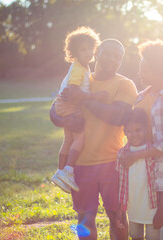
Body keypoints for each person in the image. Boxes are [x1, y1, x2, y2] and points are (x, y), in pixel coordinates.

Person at [50, 38, 138, 239]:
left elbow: (117, 116)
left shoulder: (125, 84)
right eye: (108, 53)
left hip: (112, 163)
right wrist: (59, 119)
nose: (113, 59)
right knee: (84, 219)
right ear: (96, 53)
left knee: (118, 217)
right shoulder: (80, 78)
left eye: (118, 56)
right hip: (80, 165)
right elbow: (56, 107)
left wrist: (82, 98)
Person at [118, 40, 163, 240]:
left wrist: (136, 155)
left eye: (144, 70)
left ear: (158, 70)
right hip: (142, 174)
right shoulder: (140, 97)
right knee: (157, 231)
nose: (140, 74)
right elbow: (132, 131)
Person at [50, 26, 106, 193]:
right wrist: (95, 96)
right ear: (74, 53)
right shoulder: (79, 68)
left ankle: (59, 172)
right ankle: (68, 170)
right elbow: (74, 91)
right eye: (83, 49)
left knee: (68, 139)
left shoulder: (83, 67)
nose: (88, 52)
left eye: (90, 48)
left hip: (63, 104)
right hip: (68, 105)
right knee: (79, 138)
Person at [116, 108, 163, 240]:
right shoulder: (122, 154)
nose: (134, 134)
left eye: (138, 130)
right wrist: (120, 212)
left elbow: (162, 183)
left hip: (153, 210)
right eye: (130, 131)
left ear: (145, 129)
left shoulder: (152, 153)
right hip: (133, 210)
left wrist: (160, 212)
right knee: (135, 237)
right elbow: (120, 185)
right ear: (124, 132)